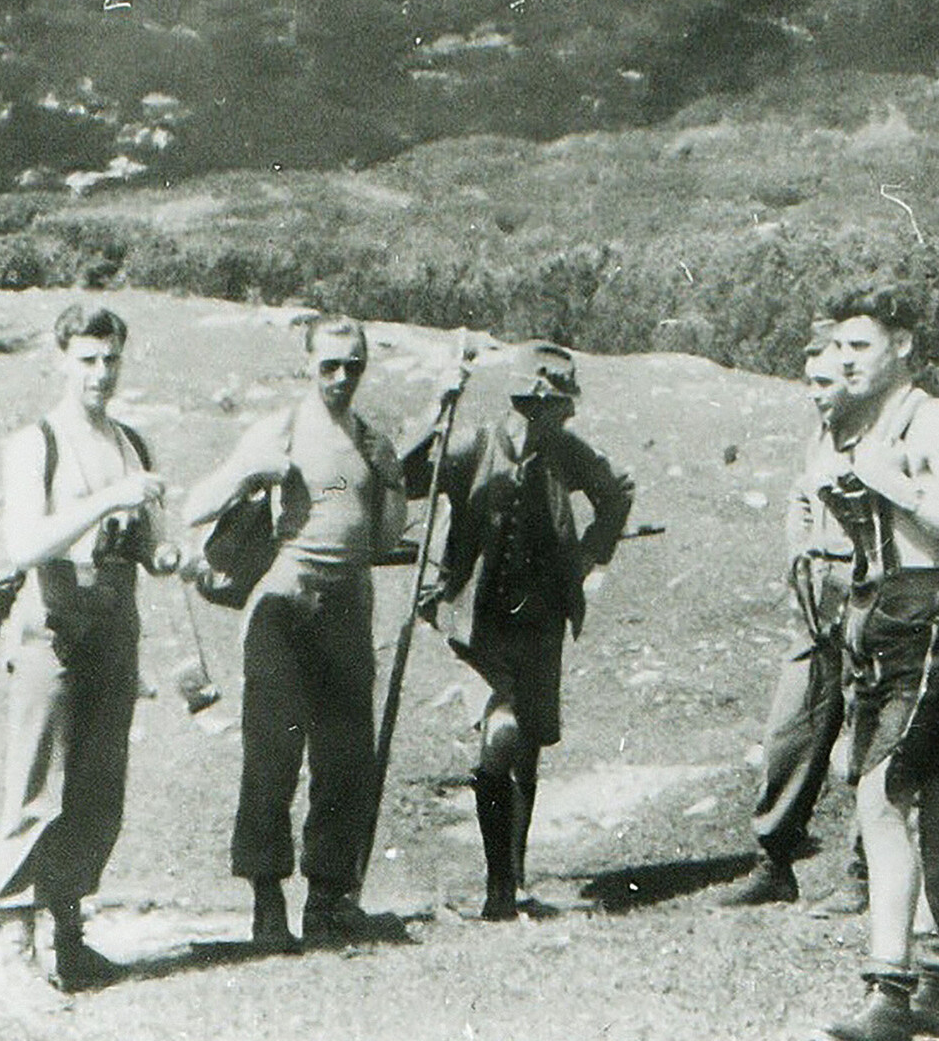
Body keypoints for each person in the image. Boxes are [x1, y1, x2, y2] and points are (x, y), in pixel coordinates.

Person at [808, 287, 939, 1041]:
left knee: (882, 792)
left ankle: (888, 994)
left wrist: (898, 485)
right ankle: (938, 984)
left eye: (862, 346)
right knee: (922, 801)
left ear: (903, 348)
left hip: (934, 623)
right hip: (879, 623)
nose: (846, 360)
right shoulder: (857, 424)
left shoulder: (938, 423)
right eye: (839, 347)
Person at [185, 314, 409, 952]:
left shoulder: (367, 441)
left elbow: (380, 534)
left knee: (344, 762)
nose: (342, 378)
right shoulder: (276, 430)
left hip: (345, 614)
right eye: (329, 365)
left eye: (354, 366)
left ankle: (327, 903)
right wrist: (251, 474)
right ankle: (266, 904)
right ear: (307, 363)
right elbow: (194, 506)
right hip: (281, 614)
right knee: (272, 761)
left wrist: (389, 482)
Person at [0, 304, 180, 990]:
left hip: (114, 629)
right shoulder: (35, 442)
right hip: (53, 630)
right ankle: (14, 932)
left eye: (112, 359)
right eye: (89, 359)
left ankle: (69, 933)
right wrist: (107, 503)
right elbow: (26, 544)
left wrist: (168, 551)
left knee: (100, 788)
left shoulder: (131, 442)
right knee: (38, 784)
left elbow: (154, 542)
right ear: (61, 359)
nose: (101, 373)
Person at [410, 340, 634, 922]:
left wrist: (590, 555)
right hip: (476, 619)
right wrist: (438, 409)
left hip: (539, 622)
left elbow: (617, 492)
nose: (568, 417)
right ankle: (495, 885)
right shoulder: (473, 444)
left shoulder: (564, 452)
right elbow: (410, 476)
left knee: (528, 748)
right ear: (533, 403)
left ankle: (512, 878)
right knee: (501, 732)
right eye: (561, 406)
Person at [717, 323, 865, 916]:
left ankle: (863, 871)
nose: (815, 393)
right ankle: (773, 861)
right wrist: (800, 547)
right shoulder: (823, 434)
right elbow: (802, 496)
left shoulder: (879, 436)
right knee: (791, 729)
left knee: (867, 736)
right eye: (811, 383)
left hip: (867, 594)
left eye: (825, 382)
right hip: (816, 596)